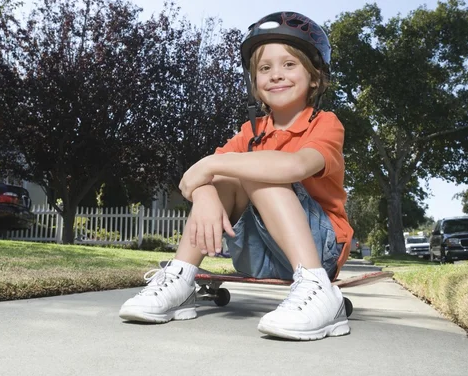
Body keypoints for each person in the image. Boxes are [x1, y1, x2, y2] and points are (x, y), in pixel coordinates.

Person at [119, 11, 354, 341]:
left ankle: (318, 290)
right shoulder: (250, 132)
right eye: (264, 68)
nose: (276, 75)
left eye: (289, 64)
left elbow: (294, 167)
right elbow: (190, 181)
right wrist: (206, 196)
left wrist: (211, 167)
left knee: (256, 169)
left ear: (314, 77)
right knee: (226, 178)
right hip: (260, 252)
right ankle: (181, 279)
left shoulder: (325, 123)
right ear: (255, 82)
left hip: (321, 249)